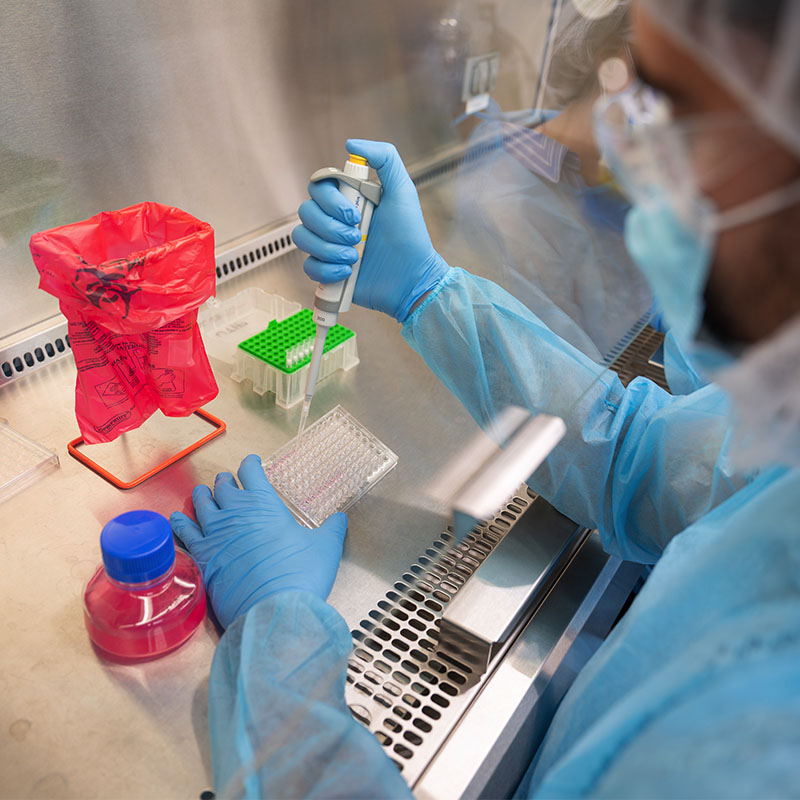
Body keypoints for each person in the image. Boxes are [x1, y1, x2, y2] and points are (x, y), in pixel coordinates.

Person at [170, 1, 800, 796]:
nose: (640, 165)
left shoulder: (765, 739)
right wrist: (426, 292)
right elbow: (641, 463)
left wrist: (280, 638)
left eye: (675, 115)